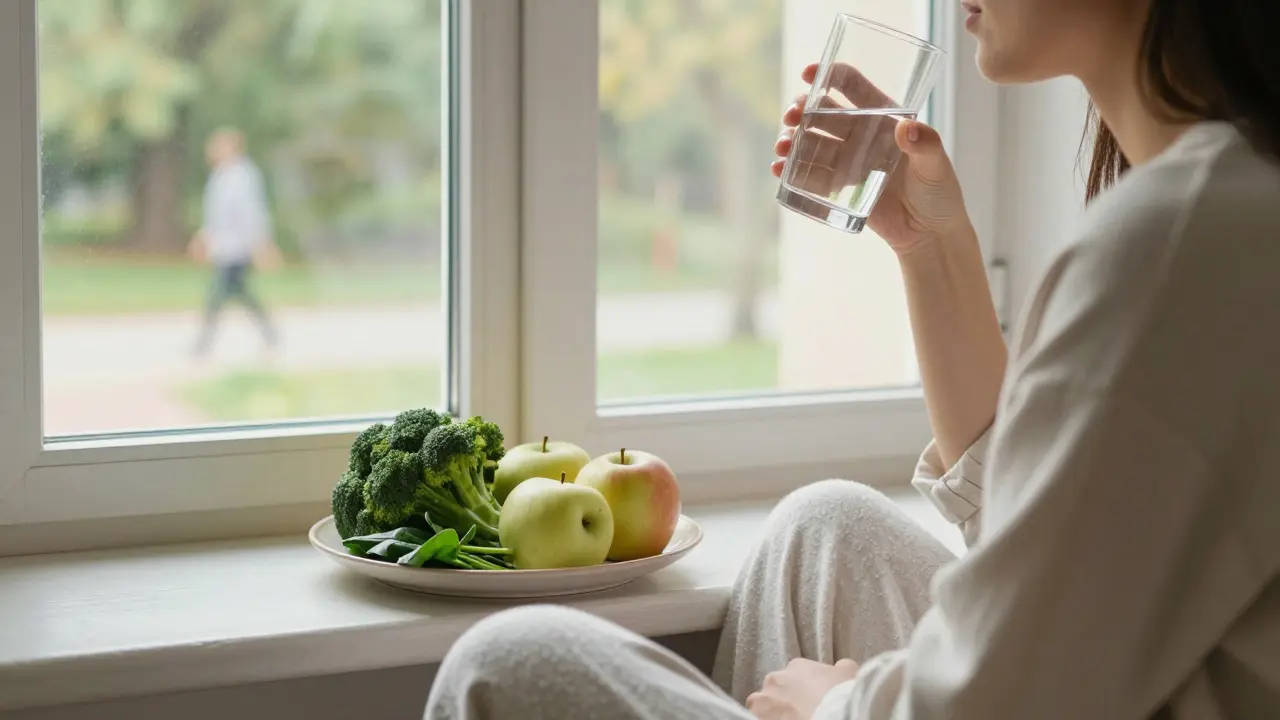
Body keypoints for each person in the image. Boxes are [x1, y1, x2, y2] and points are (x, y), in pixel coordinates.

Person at [424, 0, 1280, 717]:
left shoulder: (1184, 239)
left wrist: (835, 707)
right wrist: (929, 245)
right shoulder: (1227, 202)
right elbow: (1062, 540)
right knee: (828, 529)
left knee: (510, 659)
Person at [189, 127, 280, 357]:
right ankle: (270, 334)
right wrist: (203, 237)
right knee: (242, 293)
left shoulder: (243, 176)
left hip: (238, 247)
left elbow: (252, 213)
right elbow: (216, 216)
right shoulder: (220, 176)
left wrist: (260, 244)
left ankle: (204, 343)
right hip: (224, 247)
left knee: (218, 294)